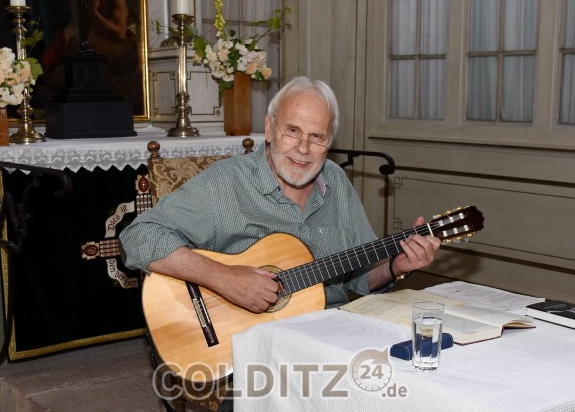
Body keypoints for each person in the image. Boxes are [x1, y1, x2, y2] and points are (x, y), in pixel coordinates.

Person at [119, 76, 441, 312]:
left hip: (328, 329)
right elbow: (138, 237)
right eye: (293, 130)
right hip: (248, 339)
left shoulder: (337, 183)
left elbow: (357, 279)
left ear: (329, 142)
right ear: (270, 128)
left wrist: (397, 266)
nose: (303, 148)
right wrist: (225, 278)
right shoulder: (227, 184)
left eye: (317, 136)